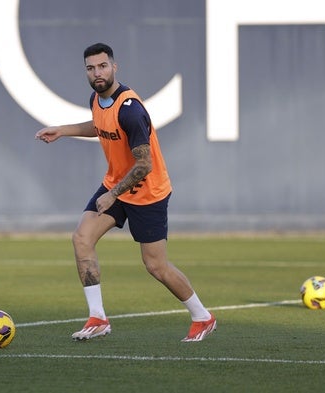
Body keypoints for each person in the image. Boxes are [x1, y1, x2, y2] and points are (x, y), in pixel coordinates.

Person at [35, 43, 216, 342]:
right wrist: (63, 130)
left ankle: (202, 316)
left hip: (147, 192)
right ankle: (98, 318)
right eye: (91, 68)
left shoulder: (131, 110)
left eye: (102, 66)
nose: (97, 73)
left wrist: (112, 194)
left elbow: (144, 165)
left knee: (155, 265)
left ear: (114, 67)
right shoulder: (96, 98)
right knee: (82, 238)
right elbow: (100, 126)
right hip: (116, 184)